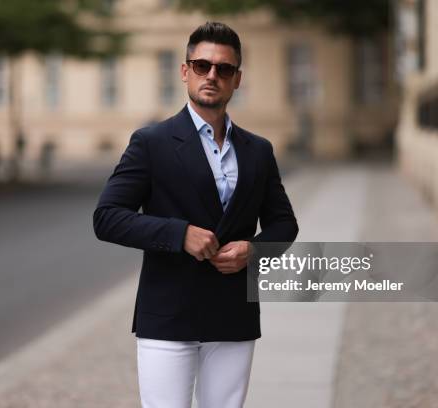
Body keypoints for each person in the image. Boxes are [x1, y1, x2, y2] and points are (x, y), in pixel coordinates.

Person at [93, 21, 298, 408]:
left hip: (233, 313)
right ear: (185, 71)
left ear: (237, 79)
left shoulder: (258, 150)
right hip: (169, 314)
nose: (212, 75)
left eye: (224, 69)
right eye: (202, 66)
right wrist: (179, 233)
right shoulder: (150, 143)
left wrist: (253, 252)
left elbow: (284, 224)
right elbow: (107, 216)